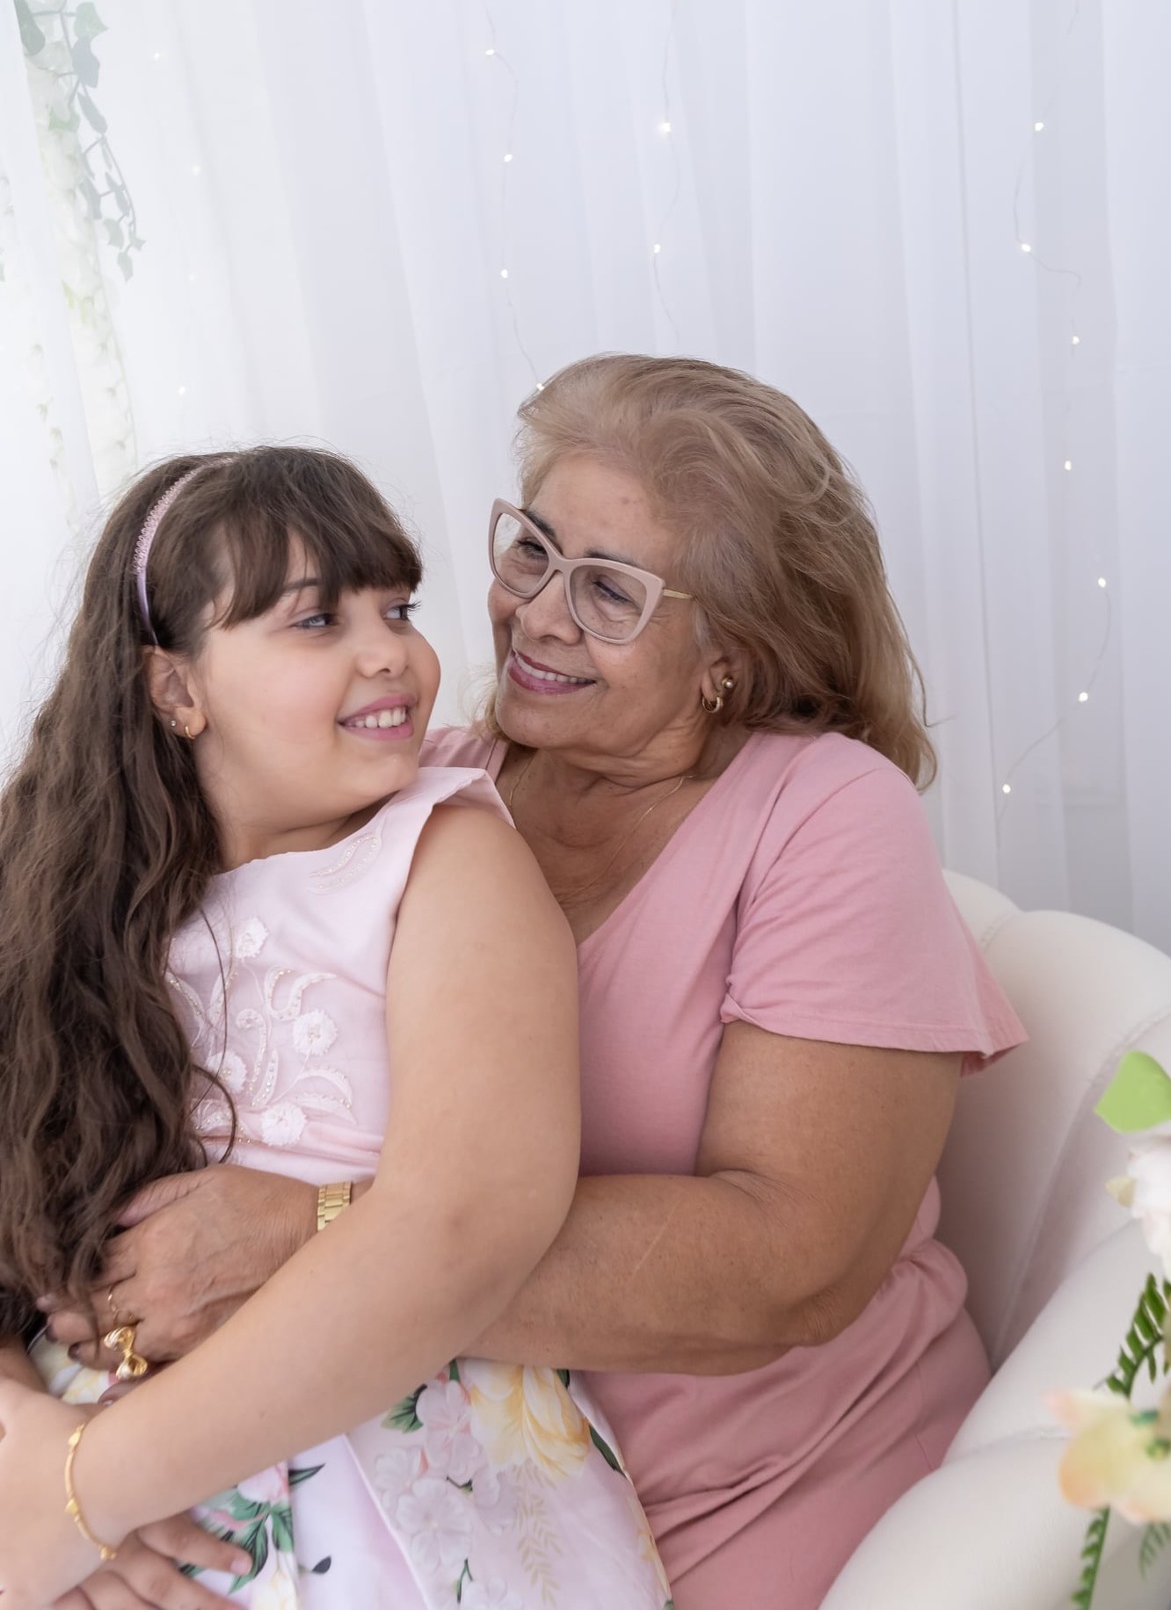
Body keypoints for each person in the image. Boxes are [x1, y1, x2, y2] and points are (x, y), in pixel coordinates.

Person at [42, 358, 1026, 1610]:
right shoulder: (405, 793)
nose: (539, 616)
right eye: (532, 554)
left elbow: (794, 1264)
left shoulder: (827, 815)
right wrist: (63, 1460)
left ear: (733, 647)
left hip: (752, 1499)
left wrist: (306, 1235)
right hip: (385, 1466)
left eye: (610, 591)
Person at [0, 446, 672, 1610]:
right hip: (90, 1493)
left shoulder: (447, 856)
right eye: (316, 621)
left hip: (404, 1475)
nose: (391, 652)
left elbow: (463, 1223)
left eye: (398, 606)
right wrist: (28, 1460)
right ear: (176, 691)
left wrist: (85, 1492)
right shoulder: (63, 898)